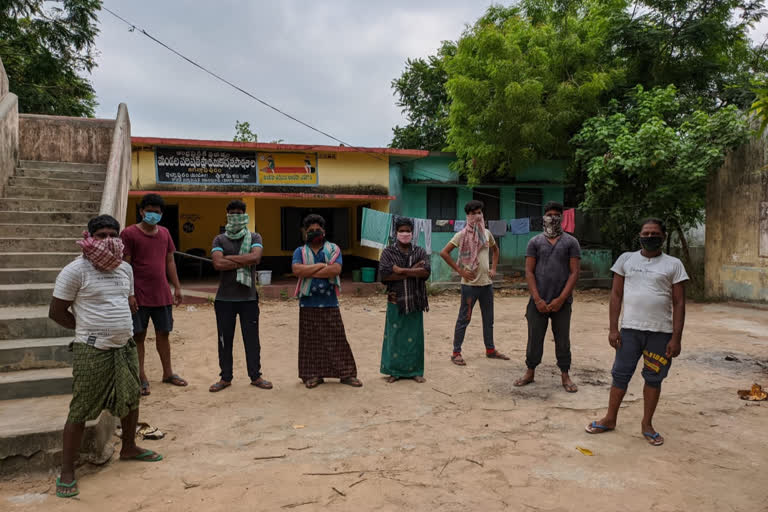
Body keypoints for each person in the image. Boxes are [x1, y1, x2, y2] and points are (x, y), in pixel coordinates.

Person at [50, 215, 163, 499]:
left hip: (124, 345)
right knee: (81, 407)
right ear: (88, 237)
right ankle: (67, 470)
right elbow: (57, 312)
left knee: (131, 395)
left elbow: (128, 299)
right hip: (92, 348)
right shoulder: (75, 271)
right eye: (101, 235)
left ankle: (128, 447)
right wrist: (86, 327)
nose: (108, 240)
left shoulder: (124, 269)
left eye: (114, 234)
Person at [586, 218, 688, 446]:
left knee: (653, 378)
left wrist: (676, 338)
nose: (650, 237)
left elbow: (680, 302)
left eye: (654, 234)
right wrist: (613, 328)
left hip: (660, 334)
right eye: (646, 233)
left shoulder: (673, 264)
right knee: (620, 375)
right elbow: (615, 295)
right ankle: (610, 419)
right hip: (629, 331)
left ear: (663, 236)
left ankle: (647, 425)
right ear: (639, 236)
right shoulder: (626, 259)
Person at [120, 193, 186, 396]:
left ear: (161, 214)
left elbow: (169, 261)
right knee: (138, 336)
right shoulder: (128, 234)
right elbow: (126, 265)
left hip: (162, 294)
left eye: (156, 212)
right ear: (141, 211)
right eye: (148, 211)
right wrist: (129, 294)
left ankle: (168, 373)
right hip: (138, 295)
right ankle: (141, 377)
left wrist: (177, 287)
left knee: (163, 334)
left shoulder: (165, 233)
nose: (152, 215)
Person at [514, 201, 581, 393]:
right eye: (549, 214)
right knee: (534, 337)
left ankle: (565, 374)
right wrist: (537, 299)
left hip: (562, 302)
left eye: (557, 214)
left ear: (562, 217)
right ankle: (530, 371)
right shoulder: (534, 242)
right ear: (544, 217)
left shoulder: (571, 242)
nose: (553, 217)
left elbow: (574, 273)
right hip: (538, 302)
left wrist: (561, 299)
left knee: (562, 339)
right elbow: (529, 272)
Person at [292, 214, 362, 389]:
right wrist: (323, 266)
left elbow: (335, 270)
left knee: (337, 338)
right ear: (304, 232)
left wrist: (309, 271)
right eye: (310, 230)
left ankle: (346, 374)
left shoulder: (333, 249)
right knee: (310, 341)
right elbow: (297, 270)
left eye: (318, 229)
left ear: (324, 231)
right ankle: (312, 375)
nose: (314, 232)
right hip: (308, 303)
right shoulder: (299, 251)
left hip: (329, 302)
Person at [208, 200, 272, 392]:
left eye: (239, 212)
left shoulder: (254, 236)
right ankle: (225, 378)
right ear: (227, 215)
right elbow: (217, 264)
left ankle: (256, 376)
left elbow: (256, 258)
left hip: (249, 299)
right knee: (224, 340)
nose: (236, 215)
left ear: (244, 215)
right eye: (232, 213)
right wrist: (242, 261)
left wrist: (228, 259)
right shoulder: (219, 239)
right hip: (224, 299)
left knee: (252, 339)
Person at [440, 200, 509, 365]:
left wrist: (493, 269)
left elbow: (495, 250)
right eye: (473, 213)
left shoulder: (486, 233)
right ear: (468, 216)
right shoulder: (462, 235)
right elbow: (444, 253)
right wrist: (460, 271)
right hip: (470, 286)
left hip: (486, 285)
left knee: (488, 319)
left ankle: (490, 350)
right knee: (464, 319)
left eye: (479, 212)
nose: (477, 216)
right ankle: (456, 353)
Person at [379, 217, 431, 383]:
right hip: (396, 301)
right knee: (394, 336)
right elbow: (385, 276)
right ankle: (394, 371)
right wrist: (413, 270)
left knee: (414, 337)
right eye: (401, 230)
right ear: (396, 233)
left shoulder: (420, 251)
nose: (405, 233)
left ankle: (415, 371)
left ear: (412, 233)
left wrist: (401, 270)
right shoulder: (388, 252)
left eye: (408, 230)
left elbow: (426, 273)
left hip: (415, 300)